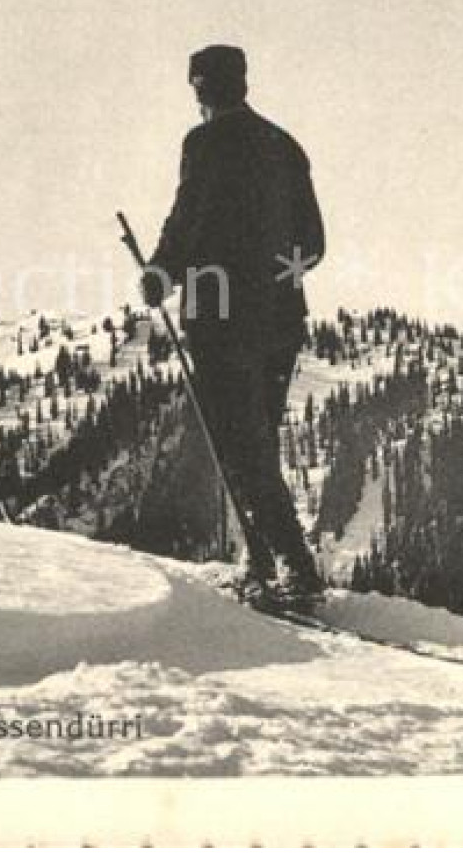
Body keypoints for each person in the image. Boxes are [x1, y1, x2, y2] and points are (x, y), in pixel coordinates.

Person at [141, 44, 326, 601]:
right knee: (258, 438)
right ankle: (264, 560)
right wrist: (276, 278)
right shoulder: (283, 144)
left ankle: (289, 566)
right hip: (279, 320)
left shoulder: (205, 143)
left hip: (220, 316)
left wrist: (162, 273)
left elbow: (188, 215)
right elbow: (314, 244)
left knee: (237, 443)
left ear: (200, 88)